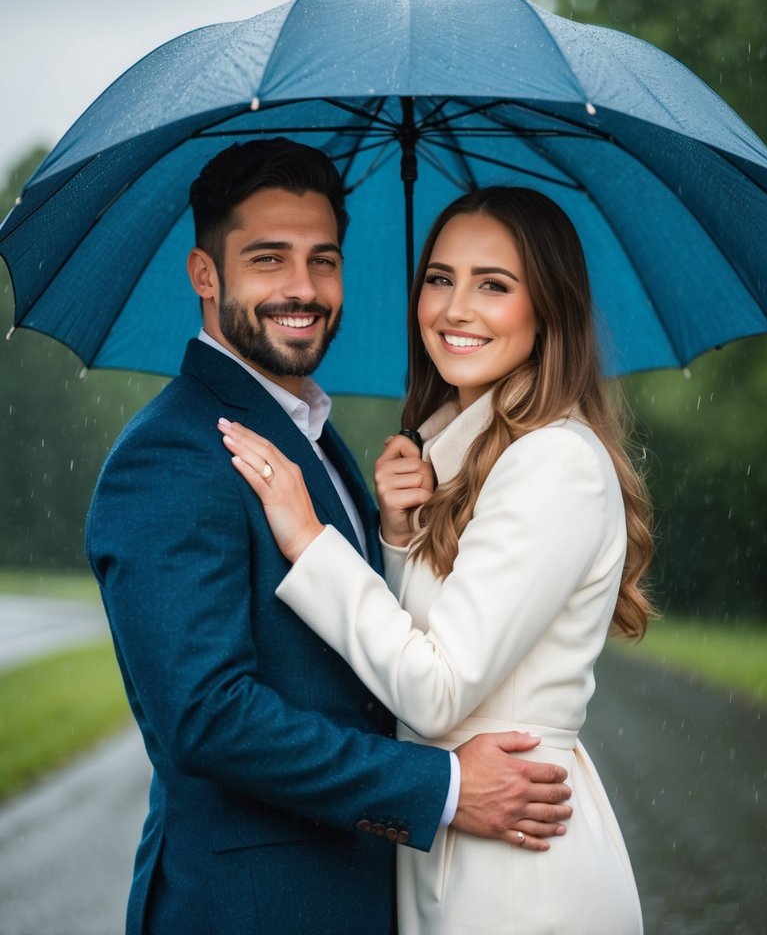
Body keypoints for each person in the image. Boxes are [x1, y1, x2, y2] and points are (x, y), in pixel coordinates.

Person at [85, 143, 574, 935]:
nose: (303, 290)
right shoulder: (171, 456)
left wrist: (393, 534)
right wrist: (442, 787)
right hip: (254, 907)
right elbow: (207, 716)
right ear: (204, 274)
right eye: (267, 260)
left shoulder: (314, 436)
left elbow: (351, 658)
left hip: (356, 894)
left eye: (324, 260)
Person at [220, 184, 654, 935]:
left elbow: (434, 690)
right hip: (458, 857)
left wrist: (310, 540)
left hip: (520, 874)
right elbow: (412, 650)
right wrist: (398, 534)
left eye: (493, 285)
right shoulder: (470, 458)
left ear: (547, 308)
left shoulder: (552, 463)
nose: (454, 309)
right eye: (439, 279)